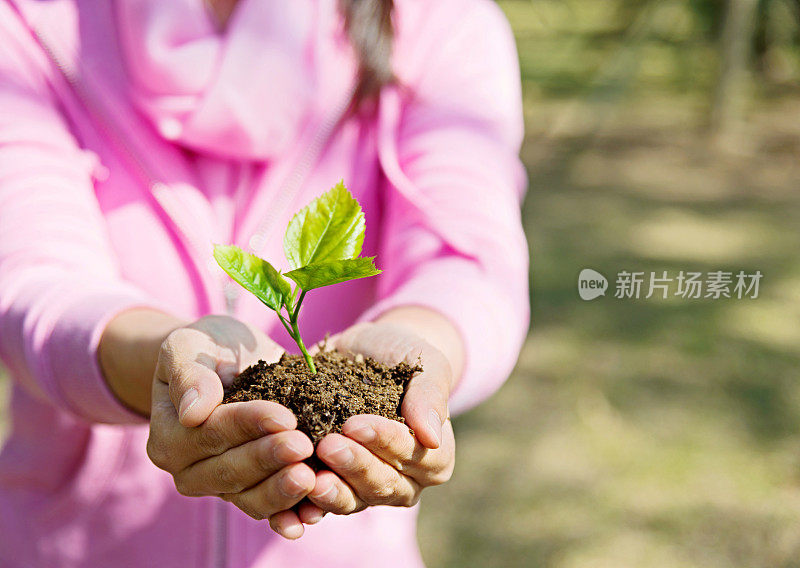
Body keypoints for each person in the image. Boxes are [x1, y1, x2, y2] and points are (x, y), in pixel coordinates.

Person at [0, 0, 529, 566]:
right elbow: (32, 275)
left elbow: (467, 256)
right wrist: (169, 368)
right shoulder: (29, 21)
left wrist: (426, 352)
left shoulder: (437, 21)